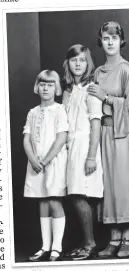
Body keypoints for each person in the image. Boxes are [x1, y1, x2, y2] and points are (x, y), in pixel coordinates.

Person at [87, 21, 129, 258]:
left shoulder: (127, 70)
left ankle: (128, 237)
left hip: (121, 133)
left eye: (114, 38)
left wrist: (106, 96)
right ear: (101, 41)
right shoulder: (97, 72)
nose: (110, 43)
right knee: (107, 185)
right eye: (106, 38)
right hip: (102, 134)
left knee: (121, 184)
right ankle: (114, 238)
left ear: (121, 41)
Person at [62, 44, 103, 260]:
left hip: (85, 146)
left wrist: (90, 156)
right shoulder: (68, 91)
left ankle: (90, 243)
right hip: (69, 147)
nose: (78, 64)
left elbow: (95, 125)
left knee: (80, 195)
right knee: (74, 195)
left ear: (88, 64)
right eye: (74, 60)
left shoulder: (92, 89)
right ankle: (84, 242)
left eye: (82, 60)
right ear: (68, 63)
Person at [23, 70, 68, 262]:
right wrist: (33, 159)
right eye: (42, 84)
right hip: (35, 163)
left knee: (53, 200)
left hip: (54, 161)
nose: (46, 88)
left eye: (50, 85)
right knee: (41, 201)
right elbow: (26, 138)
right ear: (37, 87)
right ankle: (45, 246)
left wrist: (46, 160)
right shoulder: (33, 112)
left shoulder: (59, 110)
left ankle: (57, 247)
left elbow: (61, 137)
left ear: (56, 88)